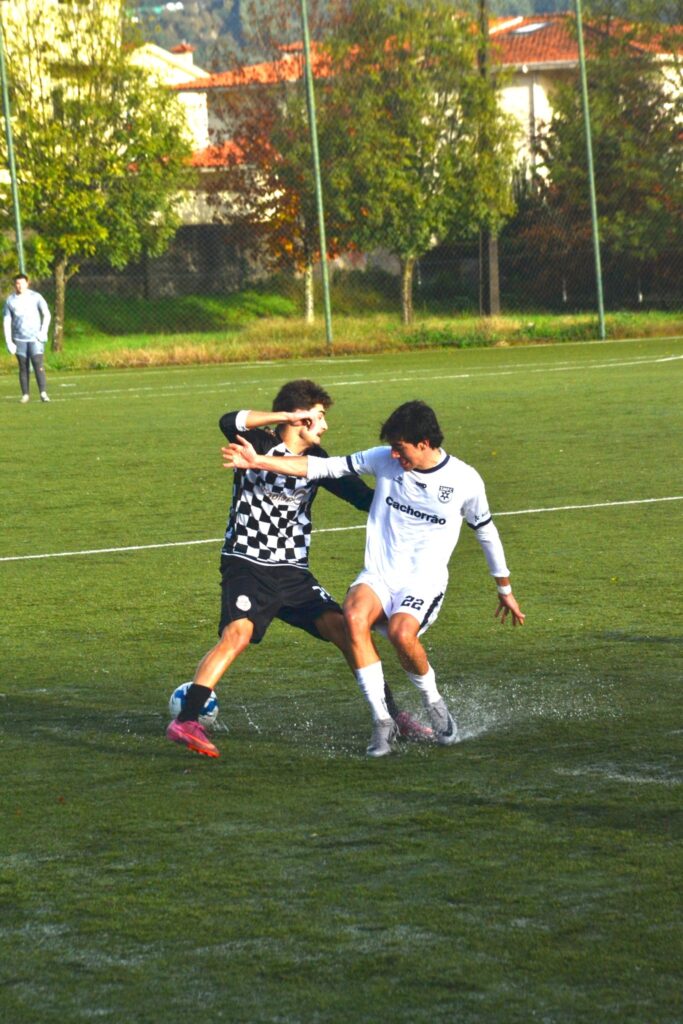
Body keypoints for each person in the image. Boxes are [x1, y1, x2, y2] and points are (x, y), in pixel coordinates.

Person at [224, 399, 526, 757]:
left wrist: (504, 588)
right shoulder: (383, 459)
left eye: (400, 448)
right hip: (379, 574)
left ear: (424, 444)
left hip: (423, 581)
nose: (394, 455)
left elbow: (486, 532)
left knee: (401, 634)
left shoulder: (464, 480)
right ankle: (383, 721)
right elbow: (324, 467)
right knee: (352, 618)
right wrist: (258, 461)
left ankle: (433, 702)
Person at [166, 380, 432, 759]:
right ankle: (187, 720)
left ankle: (394, 716)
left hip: (292, 573)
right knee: (239, 634)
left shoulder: (318, 462)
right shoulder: (258, 444)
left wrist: (416, 504)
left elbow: (364, 498)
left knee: (346, 630)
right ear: (300, 417)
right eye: (319, 417)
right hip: (248, 563)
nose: (324, 425)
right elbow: (229, 420)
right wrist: (284, 415)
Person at [3, 273, 52, 403]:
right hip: (19, 339)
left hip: (35, 338)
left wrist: (43, 331)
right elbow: (6, 321)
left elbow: (46, 314)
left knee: (37, 363)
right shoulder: (10, 300)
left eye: (22, 283)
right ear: (15, 285)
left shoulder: (36, 297)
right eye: (17, 283)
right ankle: (25, 394)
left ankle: (43, 393)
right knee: (23, 366)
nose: (20, 286)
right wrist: (9, 341)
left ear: (27, 283)